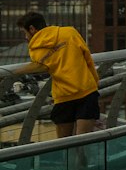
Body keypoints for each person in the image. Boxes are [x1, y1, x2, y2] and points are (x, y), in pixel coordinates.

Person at [13, 11, 100, 139]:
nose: (26, 37)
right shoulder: (70, 32)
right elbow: (87, 58)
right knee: (83, 143)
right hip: (86, 91)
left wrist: (13, 73)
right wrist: (94, 81)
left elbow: (40, 67)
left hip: (63, 97)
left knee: (63, 146)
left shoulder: (35, 49)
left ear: (32, 29)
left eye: (24, 33)